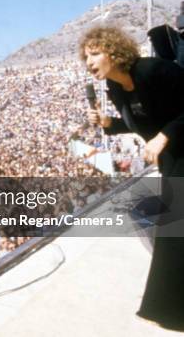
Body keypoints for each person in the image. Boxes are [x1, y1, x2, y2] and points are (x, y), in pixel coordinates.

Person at [81, 25, 184, 331]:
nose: (89, 61)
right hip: (173, 160)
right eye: (85, 56)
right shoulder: (115, 88)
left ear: (114, 52)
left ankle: (170, 311)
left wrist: (164, 136)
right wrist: (110, 123)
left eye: (95, 53)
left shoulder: (154, 71)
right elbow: (141, 123)